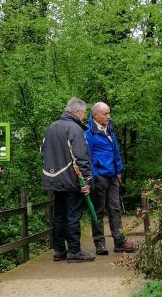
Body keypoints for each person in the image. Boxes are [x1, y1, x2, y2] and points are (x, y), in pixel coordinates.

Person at [41, 98, 95, 263]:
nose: (85, 116)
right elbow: (81, 156)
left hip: (53, 179)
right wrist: (86, 181)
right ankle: (74, 251)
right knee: (73, 214)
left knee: (59, 215)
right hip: (72, 179)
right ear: (77, 112)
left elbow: (43, 152)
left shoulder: (51, 127)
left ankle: (59, 250)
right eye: (84, 112)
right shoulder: (75, 129)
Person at [85, 102, 136, 255]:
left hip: (113, 176)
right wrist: (94, 175)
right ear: (95, 115)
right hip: (99, 176)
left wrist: (119, 170)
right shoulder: (89, 132)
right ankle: (100, 244)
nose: (109, 116)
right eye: (105, 114)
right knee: (98, 211)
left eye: (109, 113)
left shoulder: (109, 128)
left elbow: (116, 151)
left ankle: (120, 242)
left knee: (115, 209)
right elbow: (87, 157)